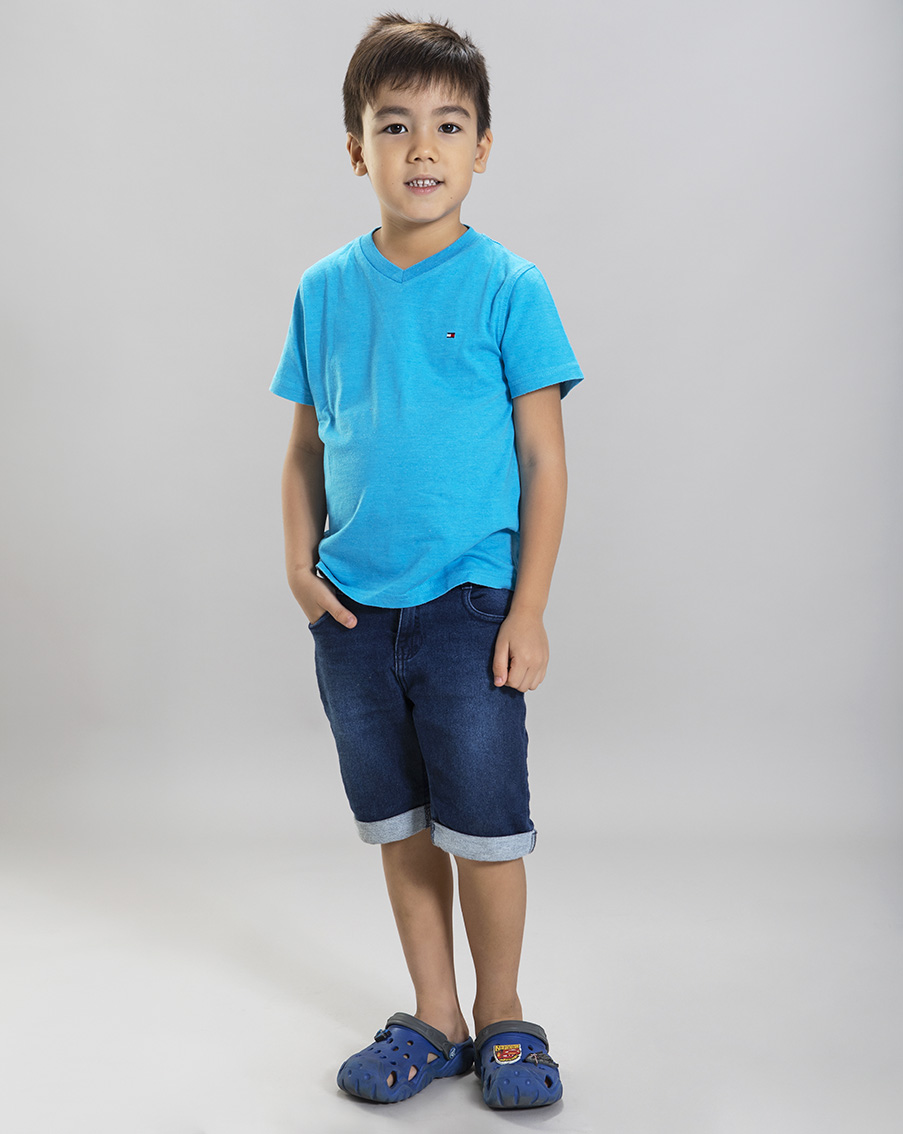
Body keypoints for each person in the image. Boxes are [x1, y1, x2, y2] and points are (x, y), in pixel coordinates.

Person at [270, 12, 583, 1111]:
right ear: (356, 147)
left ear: (482, 148)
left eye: (448, 126)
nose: (420, 148)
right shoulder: (322, 290)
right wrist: (300, 567)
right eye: (393, 124)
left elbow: (543, 460)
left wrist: (527, 609)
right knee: (399, 825)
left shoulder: (508, 286)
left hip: (468, 610)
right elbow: (304, 448)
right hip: (353, 619)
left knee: (485, 831)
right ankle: (435, 1017)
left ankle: (504, 1018)